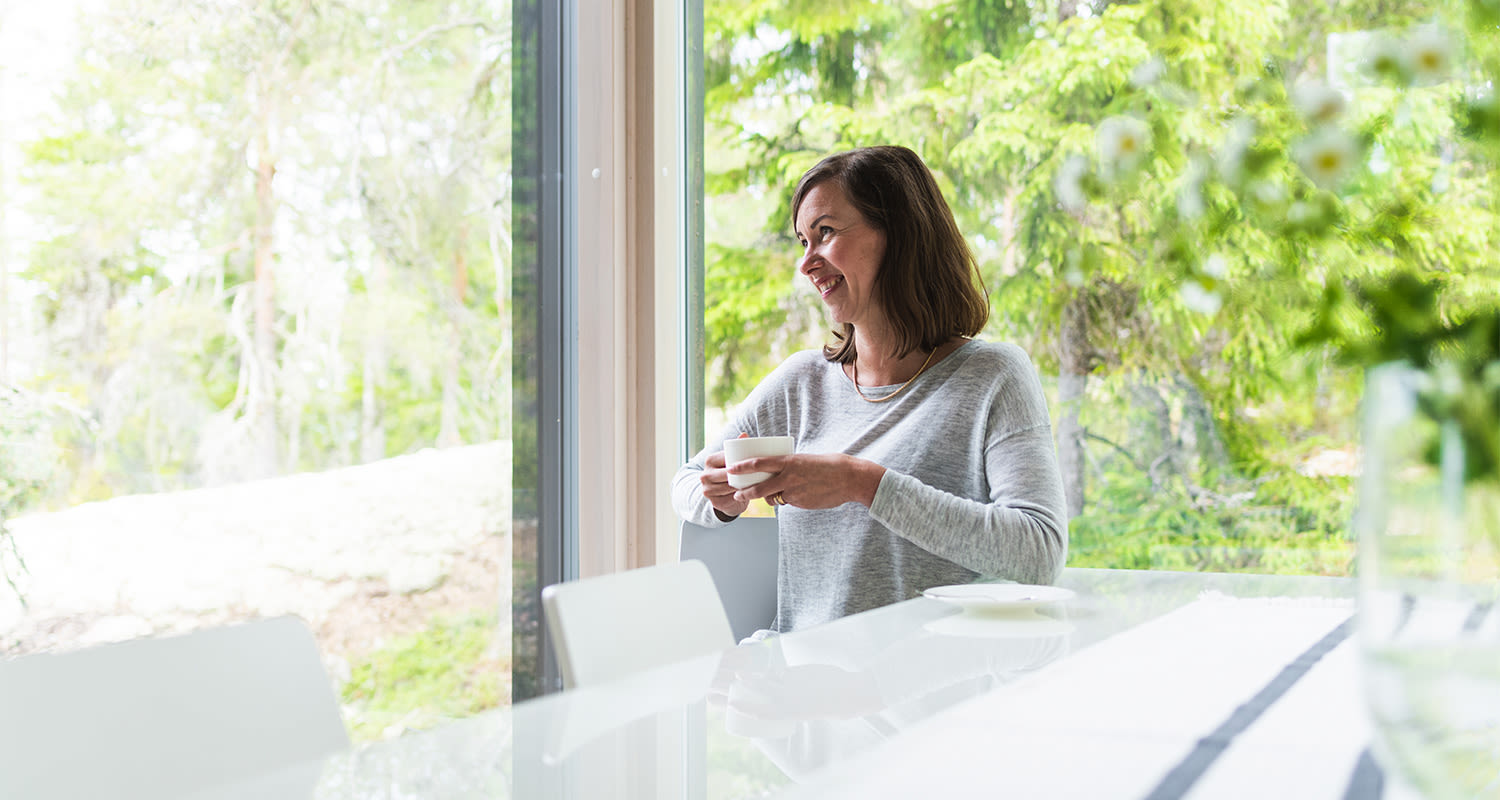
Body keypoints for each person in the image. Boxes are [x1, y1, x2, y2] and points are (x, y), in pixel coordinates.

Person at [671, 145, 1067, 635]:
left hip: (934, 678)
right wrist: (721, 499)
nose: (807, 263)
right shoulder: (801, 383)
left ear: (898, 233)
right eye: (803, 241)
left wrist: (863, 484)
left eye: (826, 233)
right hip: (799, 673)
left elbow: (1039, 552)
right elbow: (687, 482)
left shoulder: (993, 376)